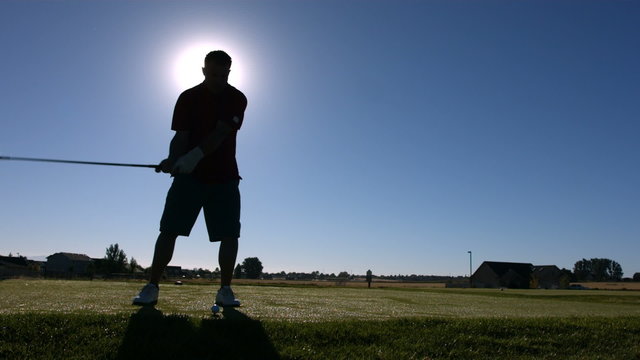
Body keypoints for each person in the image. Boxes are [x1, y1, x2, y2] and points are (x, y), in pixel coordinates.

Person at [133, 50, 247, 308]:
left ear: (229, 72)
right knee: (169, 230)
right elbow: (180, 136)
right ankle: (152, 286)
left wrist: (192, 157)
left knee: (229, 235)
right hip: (189, 180)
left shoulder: (237, 98)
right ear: (204, 70)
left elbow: (220, 134)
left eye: (223, 74)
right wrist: (174, 159)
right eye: (213, 73)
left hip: (225, 177)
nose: (218, 79)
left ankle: (225, 290)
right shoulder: (188, 97)